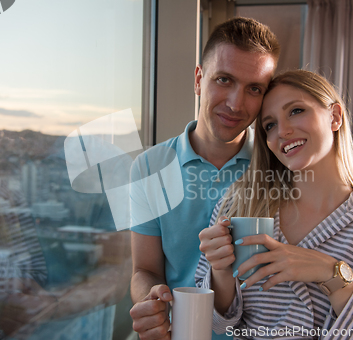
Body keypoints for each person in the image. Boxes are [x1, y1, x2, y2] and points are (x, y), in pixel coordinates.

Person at [196, 70, 353, 339]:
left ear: (334, 116)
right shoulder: (238, 207)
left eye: (296, 111)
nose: (282, 131)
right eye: (269, 125)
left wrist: (333, 276)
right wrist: (221, 272)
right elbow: (215, 325)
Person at [129, 17, 280, 340]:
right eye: (224, 80)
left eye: (254, 89)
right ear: (199, 80)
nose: (236, 103)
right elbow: (145, 269)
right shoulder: (148, 168)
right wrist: (150, 299)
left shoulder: (280, 167)